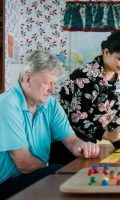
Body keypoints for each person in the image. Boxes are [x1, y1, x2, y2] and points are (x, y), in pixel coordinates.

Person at [0, 50, 101, 199]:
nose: (53, 89)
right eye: (48, 83)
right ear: (28, 79)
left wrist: (83, 147)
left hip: (28, 178)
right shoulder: (7, 104)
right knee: (59, 173)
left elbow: (71, 140)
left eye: (55, 83)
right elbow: (23, 162)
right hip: (5, 185)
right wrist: (56, 173)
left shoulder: (51, 106)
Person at [50, 31, 120, 165]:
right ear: (106, 53)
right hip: (66, 141)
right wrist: (107, 135)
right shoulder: (87, 76)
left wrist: (118, 142)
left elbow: (115, 106)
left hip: (89, 141)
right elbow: (76, 117)